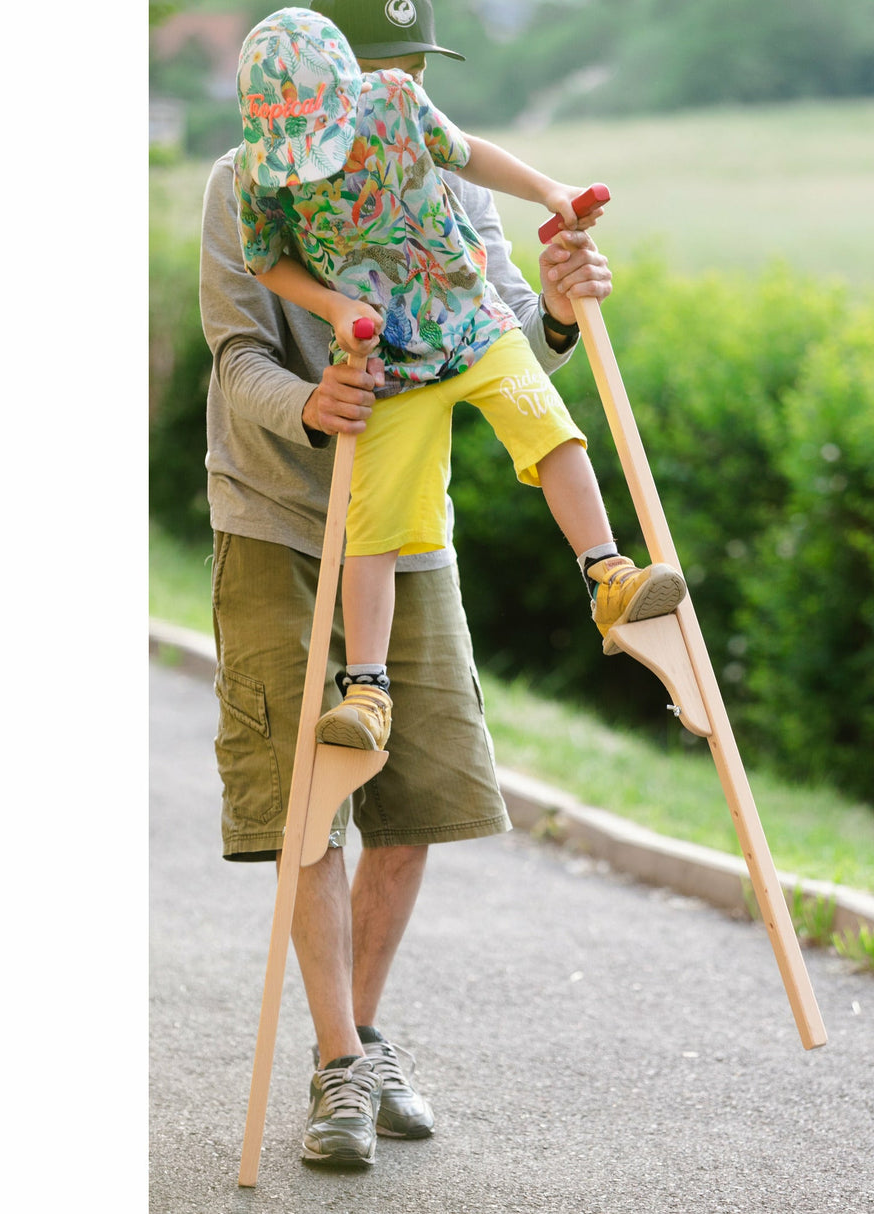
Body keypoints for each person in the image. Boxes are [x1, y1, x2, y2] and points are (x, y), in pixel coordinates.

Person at [200, 0, 615, 1168]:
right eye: (379, 62)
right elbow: (238, 352)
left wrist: (564, 305)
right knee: (311, 789)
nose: (396, 85)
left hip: (404, 520)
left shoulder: (431, 153)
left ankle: (362, 1031)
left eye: (409, 66)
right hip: (279, 515)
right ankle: (336, 1064)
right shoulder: (247, 180)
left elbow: (501, 330)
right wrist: (313, 400)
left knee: (416, 787)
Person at [232, 5, 686, 754]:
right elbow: (266, 261)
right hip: (390, 363)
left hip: (473, 321)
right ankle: (368, 694)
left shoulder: (395, 103)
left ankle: (608, 578)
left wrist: (548, 192)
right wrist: (335, 303)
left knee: (549, 430)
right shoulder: (260, 172)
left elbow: (468, 154)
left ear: (354, 91)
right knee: (373, 524)